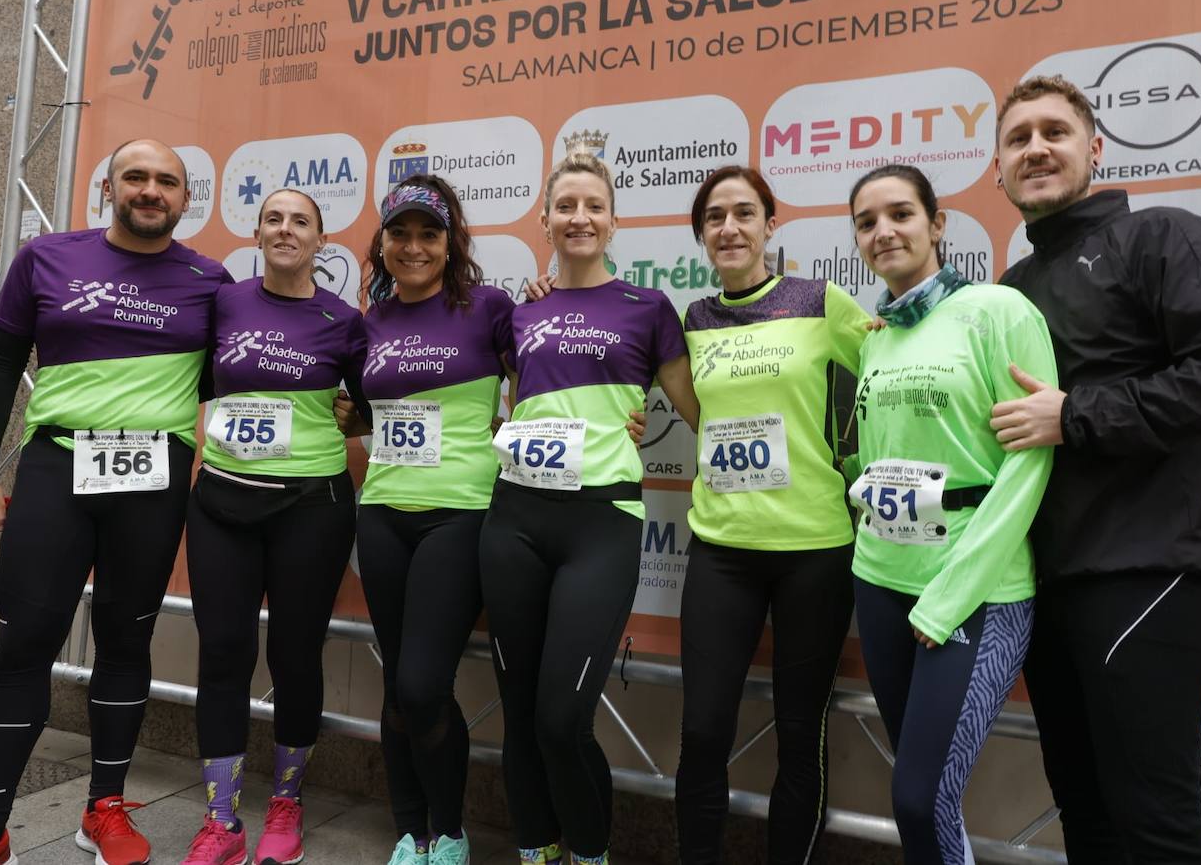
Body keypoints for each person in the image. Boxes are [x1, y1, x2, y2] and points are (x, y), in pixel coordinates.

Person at [989, 75, 1201, 864]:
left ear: (1095, 148)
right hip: (1043, 585)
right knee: (1087, 821)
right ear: (998, 171)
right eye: (1018, 138)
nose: (1037, 148)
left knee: (1157, 829)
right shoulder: (1006, 292)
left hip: (1145, 572)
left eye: (1054, 131)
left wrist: (1074, 414)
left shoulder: (1160, 236)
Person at [0, 139, 231, 865]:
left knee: (125, 641)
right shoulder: (48, 257)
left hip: (151, 479)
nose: (150, 190)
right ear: (109, 185)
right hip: (57, 468)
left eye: (166, 181)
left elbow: (236, 383)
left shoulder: (210, 280)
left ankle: (103, 810)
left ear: (185, 197)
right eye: (135, 177)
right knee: (24, 642)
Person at [478, 150, 698, 865]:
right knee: (518, 714)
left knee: (562, 715)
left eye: (593, 206)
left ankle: (591, 854)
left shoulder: (647, 308)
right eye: (566, 206)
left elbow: (696, 409)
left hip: (601, 524)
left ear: (613, 220)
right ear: (544, 220)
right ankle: (535, 849)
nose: (580, 217)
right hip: (514, 519)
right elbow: (509, 405)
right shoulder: (524, 308)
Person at [843, 164, 1057, 864]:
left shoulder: (999, 311)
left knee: (918, 796)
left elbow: (1031, 462)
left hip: (973, 591)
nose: (884, 231)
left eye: (901, 214)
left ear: (937, 225)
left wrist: (950, 598)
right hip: (880, 578)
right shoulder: (877, 334)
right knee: (923, 789)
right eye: (868, 221)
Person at [672, 166, 871, 865]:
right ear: (701, 235)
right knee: (701, 731)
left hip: (815, 547)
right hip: (722, 547)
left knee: (799, 732)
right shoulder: (694, 319)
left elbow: (889, 362)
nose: (729, 227)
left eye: (744, 214)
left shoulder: (819, 300)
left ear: (769, 225)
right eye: (715, 217)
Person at [179, 189, 368, 865]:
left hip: (309, 509)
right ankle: (221, 820)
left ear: (322, 240)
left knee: (294, 656)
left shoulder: (344, 320)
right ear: (257, 232)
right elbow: (182, 376)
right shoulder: (224, 303)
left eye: (301, 221)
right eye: (274, 219)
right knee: (224, 653)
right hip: (222, 502)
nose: (286, 229)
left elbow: (374, 409)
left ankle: (286, 805)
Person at [331, 176, 515, 865]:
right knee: (396, 685)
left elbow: (544, 380)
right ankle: (411, 831)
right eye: (400, 233)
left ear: (450, 241)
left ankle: (452, 830)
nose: (413, 246)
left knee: (422, 683)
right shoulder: (366, 327)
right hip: (381, 512)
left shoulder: (488, 309)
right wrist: (357, 417)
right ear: (381, 244)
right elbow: (368, 408)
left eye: (428, 233)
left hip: (460, 515)